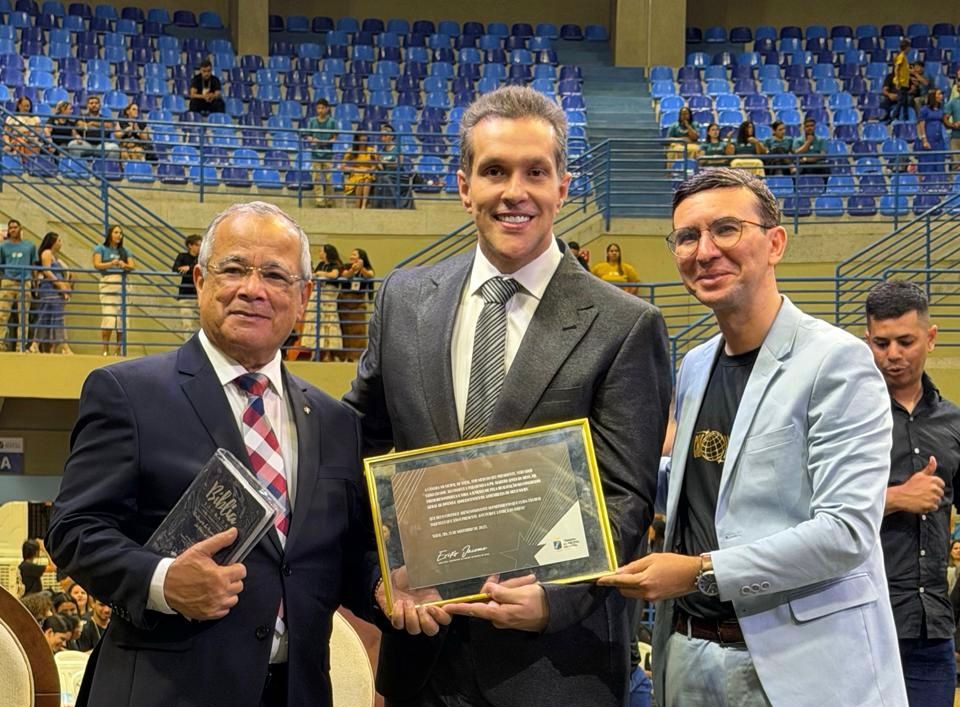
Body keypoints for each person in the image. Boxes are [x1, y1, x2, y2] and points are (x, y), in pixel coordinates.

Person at [343, 85, 672, 707]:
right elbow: (361, 450)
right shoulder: (403, 299)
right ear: (465, 185)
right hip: (424, 659)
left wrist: (557, 600)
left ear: (563, 187)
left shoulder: (625, 324)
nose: (513, 192)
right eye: (494, 171)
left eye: (535, 172)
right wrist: (380, 574)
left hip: (554, 665)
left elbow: (627, 497)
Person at [46, 201, 438, 707]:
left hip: (295, 692)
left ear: (303, 298)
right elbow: (75, 530)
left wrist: (384, 584)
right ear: (200, 280)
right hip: (165, 692)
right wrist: (163, 581)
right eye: (233, 268)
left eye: (275, 275)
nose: (252, 289)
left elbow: (336, 557)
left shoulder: (337, 422)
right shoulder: (127, 393)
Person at [598, 168, 907, 707]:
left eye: (725, 229)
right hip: (688, 658)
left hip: (799, 671)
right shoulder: (694, 365)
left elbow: (845, 532)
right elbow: (705, 485)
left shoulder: (837, 362)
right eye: (687, 237)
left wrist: (698, 574)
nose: (705, 250)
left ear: (775, 242)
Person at [864, 280, 960, 707]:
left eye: (906, 341)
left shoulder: (954, 422)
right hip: (860, 621)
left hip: (931, 629)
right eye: (881, 343)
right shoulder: (846, 417)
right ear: (867, 341)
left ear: (931, 337)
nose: (893, 355)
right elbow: (811, 508)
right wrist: (895, 498)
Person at [92, 224, 135, 355]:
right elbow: (97, 264)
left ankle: (118, 349)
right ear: (110, 234)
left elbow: (132, 266)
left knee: (122, 320)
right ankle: (105, 348)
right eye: (116, 232)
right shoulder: (100, 248)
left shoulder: (125, 251)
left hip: (122, 284)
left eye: (120, 233)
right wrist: (111, 264)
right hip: (108, 283)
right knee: (109, 318)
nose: (119, 235)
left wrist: (124, 264)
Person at [32, 231, 72, 354]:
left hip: (55, 291)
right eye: (59, 240)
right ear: (53, 242)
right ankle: (64, 347)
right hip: (49, 290)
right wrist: (60, 285)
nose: (60, 243)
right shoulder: (47, 253)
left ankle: (37, 344)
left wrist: (64, 288)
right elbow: (47, 271)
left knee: (52, 317)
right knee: (52, 317)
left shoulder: (56, 257)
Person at [301, 244, 342, 362]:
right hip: (317, 296)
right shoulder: (320, 265)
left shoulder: (335, 265)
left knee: (328, 323)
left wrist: (321, 274)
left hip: (328, 298)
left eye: (321, 251)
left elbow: (334, 275)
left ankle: (328, 353)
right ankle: (314, 353)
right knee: (315, 323)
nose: (320, 254)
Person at [0, 219, 37, 352]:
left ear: (20, 229)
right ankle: (1, 344)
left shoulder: (29, 246)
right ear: (8, 230)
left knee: (24, 315)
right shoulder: (3, 247)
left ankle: (20, 345)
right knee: (2, 315)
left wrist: (34, 281)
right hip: (8, 281)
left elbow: (33, 265)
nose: (13, 230)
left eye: (15, 227)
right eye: (11, 228)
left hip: (24, 282)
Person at [338, 248, 374, 362]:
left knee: (358, 329)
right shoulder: (346, 266)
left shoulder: (367, 268)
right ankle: (345, 355)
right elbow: (345, 276)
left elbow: (370, 275)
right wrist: (352, 270)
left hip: (358, 302)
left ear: (361, 258)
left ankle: (357, 356)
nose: (352, 256)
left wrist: (361, 268)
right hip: (344, 301)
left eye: (354, 254)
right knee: (345, 329)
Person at [371, 125, 412, 209]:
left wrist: (384, 162)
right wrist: (376, 160)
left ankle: (392, 205)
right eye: (382, 136)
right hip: (385, 174)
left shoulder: (398, 149)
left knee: (385, 179)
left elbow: (398, 164)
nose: (383, 138)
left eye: (385, 136)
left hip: (396, 175)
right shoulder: (381, 151)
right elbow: (381, 168)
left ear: (391, 136)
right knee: (381, 179)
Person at [304, 98, 336, 207]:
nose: (320, 110)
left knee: (328, 179)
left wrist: (325, 142)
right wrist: (312, 139)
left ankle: (330, 201)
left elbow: (335, 138)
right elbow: (308, 136)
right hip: (315, 154)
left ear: (327, 109)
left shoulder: (332, 122)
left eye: (322, 108)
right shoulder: (312, 121)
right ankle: (320, 202)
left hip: (328, 155)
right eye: (318, 108)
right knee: (316, 178)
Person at [171, 235, 201, 341]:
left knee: (201, 326)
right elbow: (175, 268)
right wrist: (188, 268)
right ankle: (188, 348)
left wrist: (189, 268)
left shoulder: (201, 259)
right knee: (187, 325)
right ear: (190, 245)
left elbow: (203, 268)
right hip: (186, 295)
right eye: (197, 245)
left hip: (199, 296)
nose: (199, 247)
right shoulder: (182, 256)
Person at [341, 134, 378, 208]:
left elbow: (375, 165)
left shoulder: (371, 150)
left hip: (367, 173)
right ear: (357, 140)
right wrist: (358, 170)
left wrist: (370, 169)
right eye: (362, 140)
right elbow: (343, 167)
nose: (363, 143)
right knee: (360, 181)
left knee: (367, 179)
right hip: (355, 174)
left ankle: (364, 205)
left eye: (365, 140)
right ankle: (358, 205)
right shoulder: (352, 151)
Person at [917, 89, 947, 174]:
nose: (941, 96)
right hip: (929, 139)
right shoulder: (924, 110)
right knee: (929, 164)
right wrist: (924, 140)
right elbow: (921, 125)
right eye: (939, 94)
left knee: (940, 163)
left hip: (939, 140)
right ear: (934, 96)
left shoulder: (941, 109)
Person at [891, 39, 913, 123]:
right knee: (901, 102)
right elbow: (897, 68)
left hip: (905, 83)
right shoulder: (901, 56)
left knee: (905, 102)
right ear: (906, 48)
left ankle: (905, 118)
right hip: (902, 83)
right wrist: (898, 81)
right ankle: (893, 117)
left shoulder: (904, 57)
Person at [943, 87, 960, 171]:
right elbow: (945, 119)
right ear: (958, 89)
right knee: (957, 166)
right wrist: (953, 125)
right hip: (956, 137)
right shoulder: (952, 103)